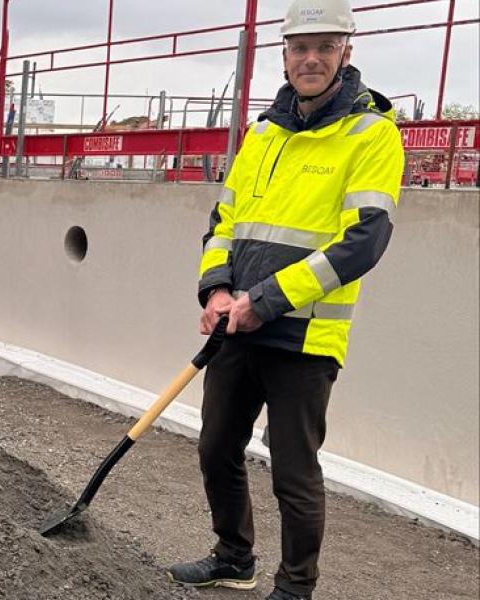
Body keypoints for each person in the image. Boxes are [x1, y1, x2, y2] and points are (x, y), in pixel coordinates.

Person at [166, 1, 404, 599]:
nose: (311, 59)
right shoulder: (262, 133)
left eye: (325, 47)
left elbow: (363, 241)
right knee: (216, 446)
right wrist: (217, 290)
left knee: (293, 472)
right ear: (285, 55)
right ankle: (233, 556)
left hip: (304, 333)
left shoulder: (371, 135)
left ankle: (296, 588)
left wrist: (265, 300)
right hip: (237, 325)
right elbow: (225, 219)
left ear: (346, 53)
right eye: (301, 48)